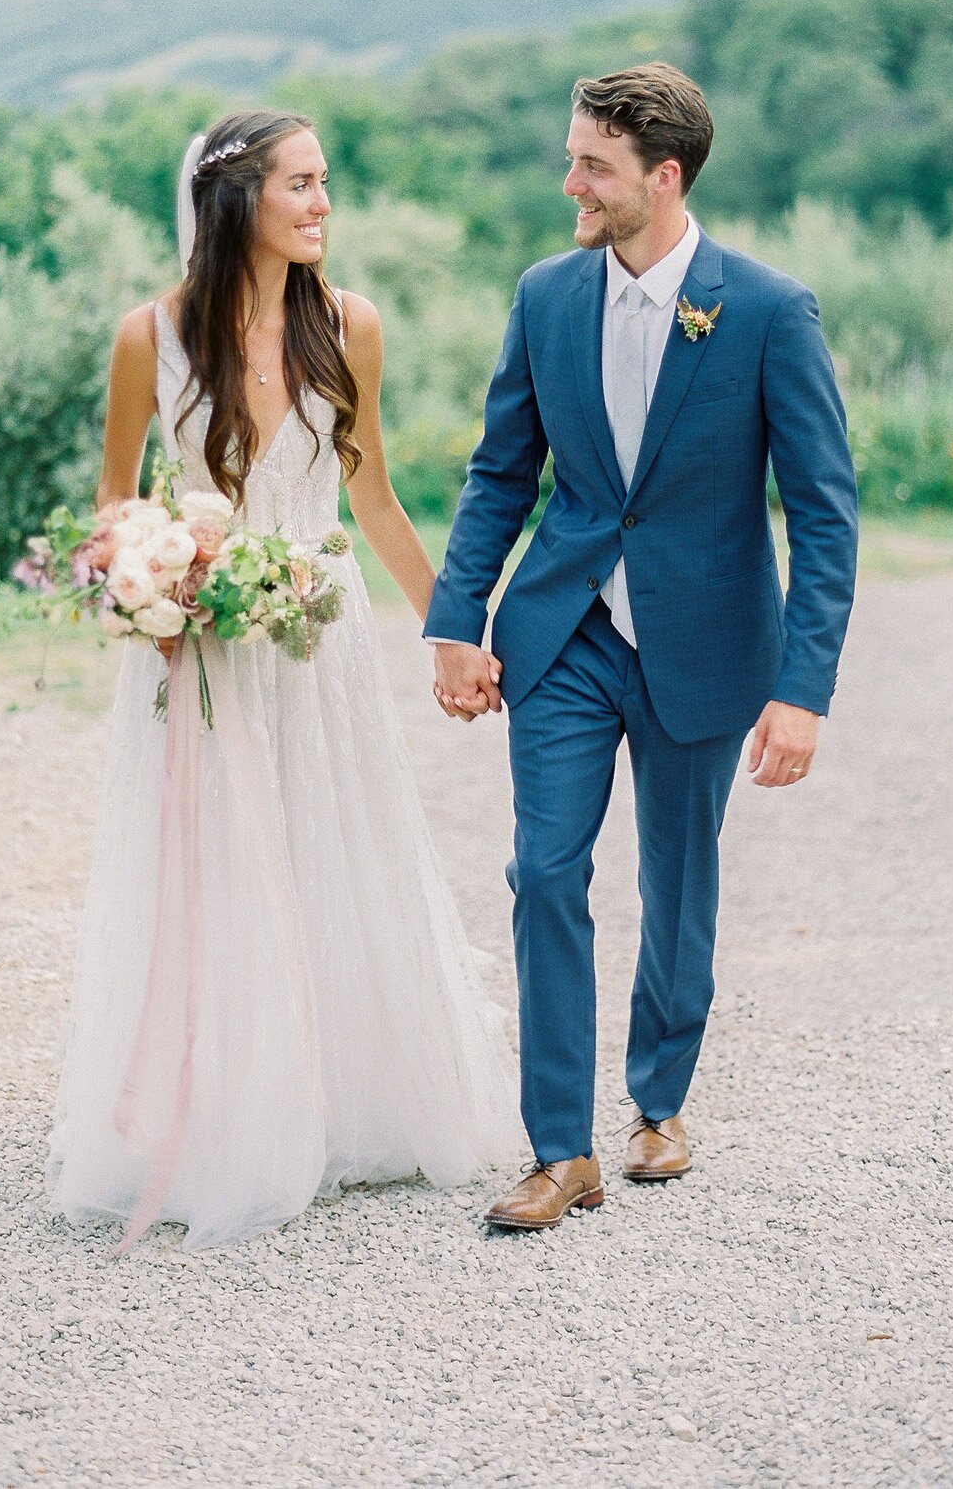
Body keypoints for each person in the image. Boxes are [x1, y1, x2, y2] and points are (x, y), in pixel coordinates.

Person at [46, 110, 516, 1248]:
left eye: (323, 186)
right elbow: (115, 509)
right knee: (214, 872)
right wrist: (151, 581)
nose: (320, 206)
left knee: (334, 848)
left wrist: (451, 629)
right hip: (202, 645)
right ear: (235, 200)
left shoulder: (348, 325)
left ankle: (351, 1104)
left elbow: (375, 498)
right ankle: (223, 1118)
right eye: (299, 185)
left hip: (318, 638)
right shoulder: (144, 339)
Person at [426, 63, 859, 1230]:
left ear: (660, 179)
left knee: (676, 879)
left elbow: (821, 511)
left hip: (704, 643)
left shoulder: (767, 310)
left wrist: (802, 689)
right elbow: (499, 474)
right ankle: (558, 1148)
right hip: (561, 632)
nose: (569, 180)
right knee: (543, 871)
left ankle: (657, 1100)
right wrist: (453, 622)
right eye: (573, 156)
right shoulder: (544, 294)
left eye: (592, 166)